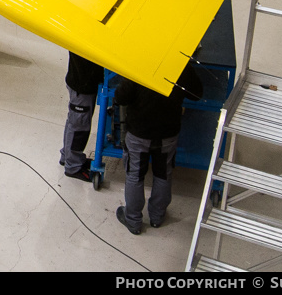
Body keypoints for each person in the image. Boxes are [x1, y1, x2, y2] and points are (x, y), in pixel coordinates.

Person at [113, 59, 204, 234]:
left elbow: (120, 97)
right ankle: (157, 216)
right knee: (163, 173)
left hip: (139, 133)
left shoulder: (140, 63)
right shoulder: (181, 65)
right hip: (168, 133)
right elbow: (196, 94)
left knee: (135, 175)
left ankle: (132, 219)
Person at [61, 51, 104, 182]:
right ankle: (73, 166)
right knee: (79, 127)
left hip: (80, 81)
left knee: (74, 122)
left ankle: (67, 156)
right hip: (82, 84)